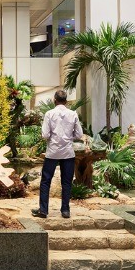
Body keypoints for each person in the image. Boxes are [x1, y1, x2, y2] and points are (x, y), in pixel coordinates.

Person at [32, 90, 83, 219]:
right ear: (66, 101)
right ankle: (65, 211)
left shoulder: (49, 114)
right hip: (67, 153)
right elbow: (79, 135)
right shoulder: (73, 114)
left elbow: (45, 135)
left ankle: (43, 210)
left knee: (45, 181)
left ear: (55, 100)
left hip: (52, 153)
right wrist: (68, 137)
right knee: (66, 182)